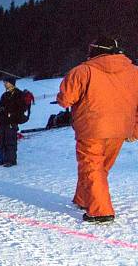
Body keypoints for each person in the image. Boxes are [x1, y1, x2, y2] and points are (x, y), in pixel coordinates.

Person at [57, 37, 138, 223]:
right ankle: (83, 198)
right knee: (99, 168)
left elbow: (65, 100)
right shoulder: (134, 72)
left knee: (92, 167)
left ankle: (101, 211)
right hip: (120, 129)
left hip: (91, 129)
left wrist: (63, 94)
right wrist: (135, 130)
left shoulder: (82, 71)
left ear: (94, 50)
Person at [0, 77, 24, 167]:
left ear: (11, 83)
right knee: (1, 141)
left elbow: (20, 108)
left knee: (10, 141)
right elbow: (0, 107)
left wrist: (8, 111)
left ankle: (11, 160)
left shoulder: (19, 94)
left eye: (6, 82)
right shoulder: (5, 95)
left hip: (12, 122)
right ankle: (2, 159)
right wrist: (0, 113)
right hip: (3, 121)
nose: (4, 84)